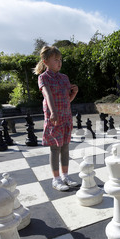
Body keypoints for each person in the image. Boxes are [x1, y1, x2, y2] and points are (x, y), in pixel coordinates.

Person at [35, 46, 79, 191]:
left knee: (65, 147)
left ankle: (65, 176)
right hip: (54, 118)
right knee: (55, 149)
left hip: (66, 117)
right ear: (45, 61)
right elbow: (47, 95)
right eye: (55, 60)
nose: (59, 63)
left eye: (60, 60)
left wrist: (74, 93)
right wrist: (53, 112)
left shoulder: (64, 78)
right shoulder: (43, 78)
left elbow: (67, 100)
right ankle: (56, 179)